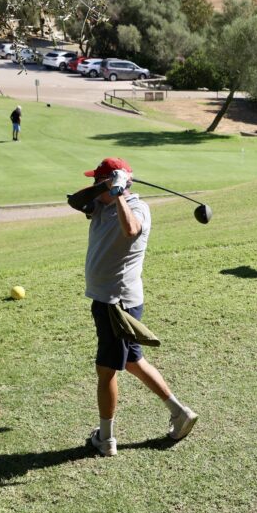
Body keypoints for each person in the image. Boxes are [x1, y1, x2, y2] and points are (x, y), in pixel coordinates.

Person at [82, 157, 198, 457]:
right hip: (108, 300)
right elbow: (77, 203)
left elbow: (131, 230)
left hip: (115, 303)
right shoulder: (101, 206)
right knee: (132, 361)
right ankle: (180, 412)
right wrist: (103, 190)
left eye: (98, 180)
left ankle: (105, 439)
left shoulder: (136, 208)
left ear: (114, 184)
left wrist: (119, 192)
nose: (94, 185)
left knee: (106, 371)